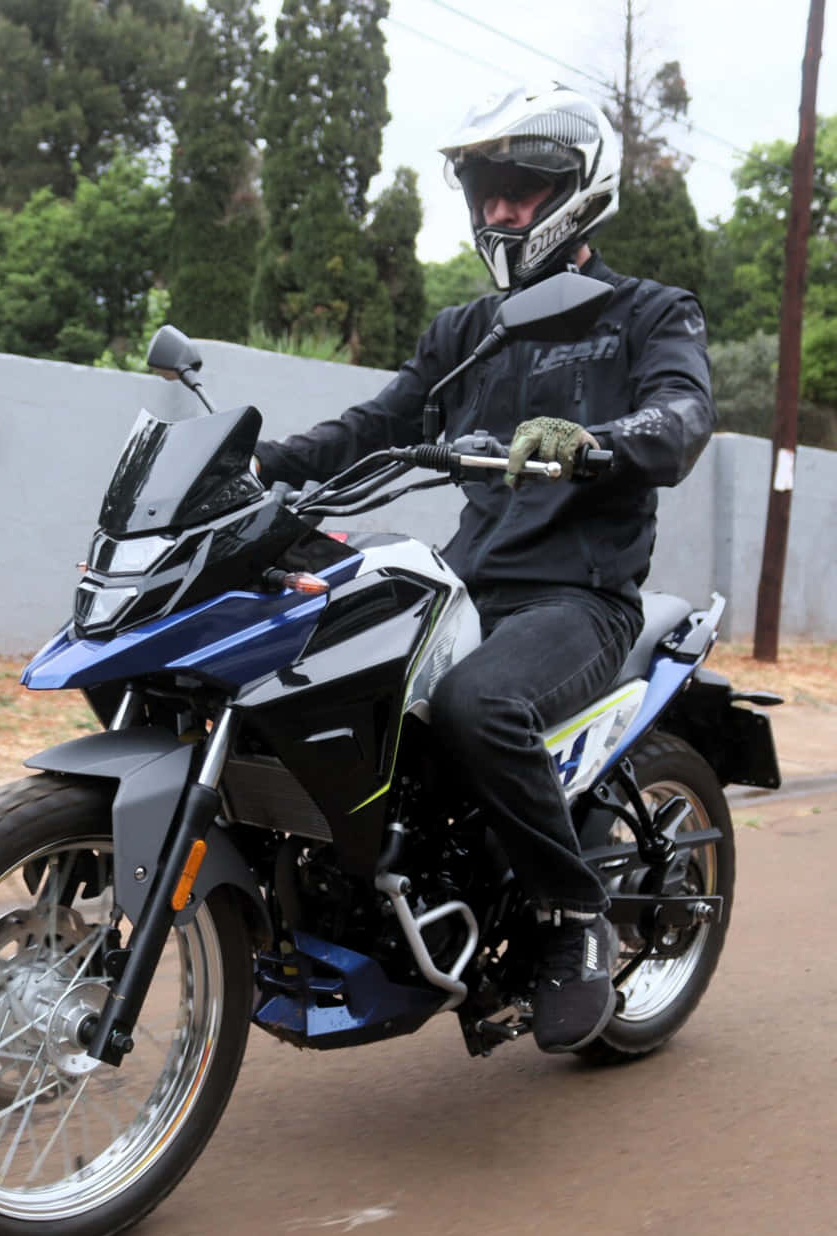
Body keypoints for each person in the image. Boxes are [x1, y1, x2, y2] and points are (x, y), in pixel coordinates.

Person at [252, 83, 716, 1053]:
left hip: (579, 601)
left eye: (522, 187)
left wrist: (597, 441)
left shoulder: (649, 314)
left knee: (478, 706)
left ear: (579, 193)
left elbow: (679, 419)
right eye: (487, 188)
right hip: (465, 586)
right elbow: (376, 425)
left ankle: (571, 914)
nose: (500, 208)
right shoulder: (467, 333)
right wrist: (260, 464)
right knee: (315, 667)